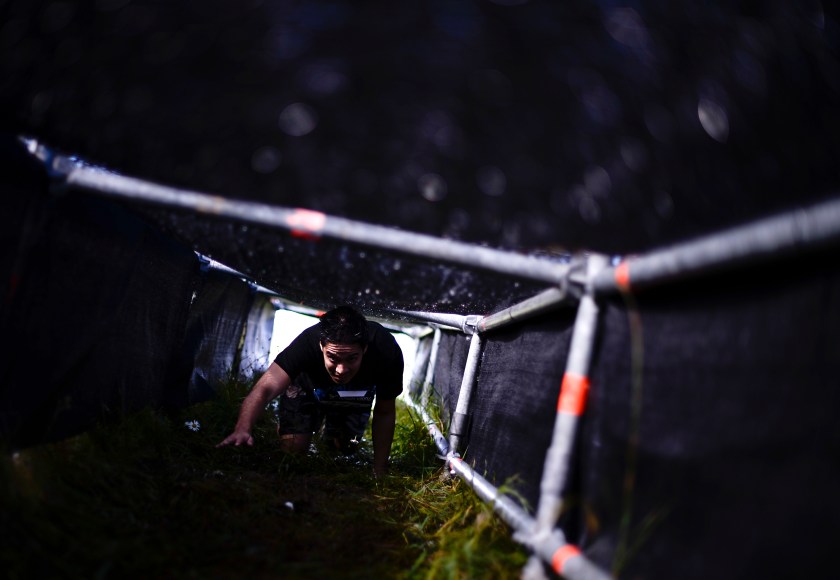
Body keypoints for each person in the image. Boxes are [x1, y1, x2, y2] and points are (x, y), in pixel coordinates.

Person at [217, 305, 404, 477]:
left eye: (351, 359)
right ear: (321, 346)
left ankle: (333, 432)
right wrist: (242, 429)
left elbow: (385, 412)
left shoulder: (385, 350)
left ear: (365, 349)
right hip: (307, 387)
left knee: (345, 448)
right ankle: (295, 426)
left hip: (355, 393)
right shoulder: (306, 343)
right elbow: (264, 388)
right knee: (293, 452)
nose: (341, 369)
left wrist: (380, 470)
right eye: (333, 357)